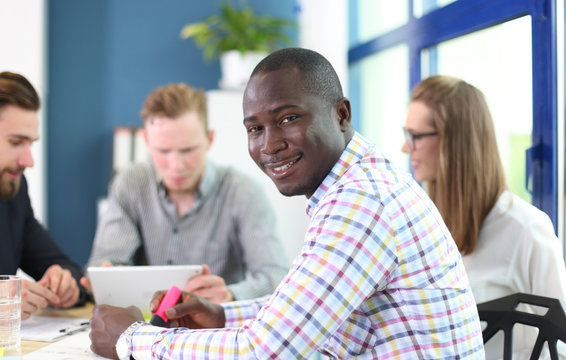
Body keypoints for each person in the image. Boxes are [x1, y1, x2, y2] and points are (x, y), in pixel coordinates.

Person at [89, 48, 484, 359]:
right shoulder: (353, 184)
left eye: (288, 118)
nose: (269, 144)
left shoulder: (361, 201)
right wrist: (223, 314)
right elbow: (298, 313)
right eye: (255, 128)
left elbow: (266, 351)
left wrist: (132, 339)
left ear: (342, 114)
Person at [401, 74, 566, 359]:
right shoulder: (426, 225)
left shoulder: (527, 230)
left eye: (415, 136)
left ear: (455, 143)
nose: (406, 147)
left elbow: (562, 346)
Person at [83, 82, 289, 303]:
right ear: (146, 141)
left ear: (209, 139)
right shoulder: (131, 183)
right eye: (163, 151)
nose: (176, 165)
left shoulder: (243, 191)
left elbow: (276, 276)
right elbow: (104, 263)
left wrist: (230, 295)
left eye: (187, 150)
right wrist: (106, 275)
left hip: (214, 330)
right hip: (145, 326)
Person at [0, 71, 84, 319]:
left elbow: (63, 266)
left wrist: (66, 284)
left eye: (31, 144)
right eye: (16, 142)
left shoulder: (13, 191)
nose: (29, 161)